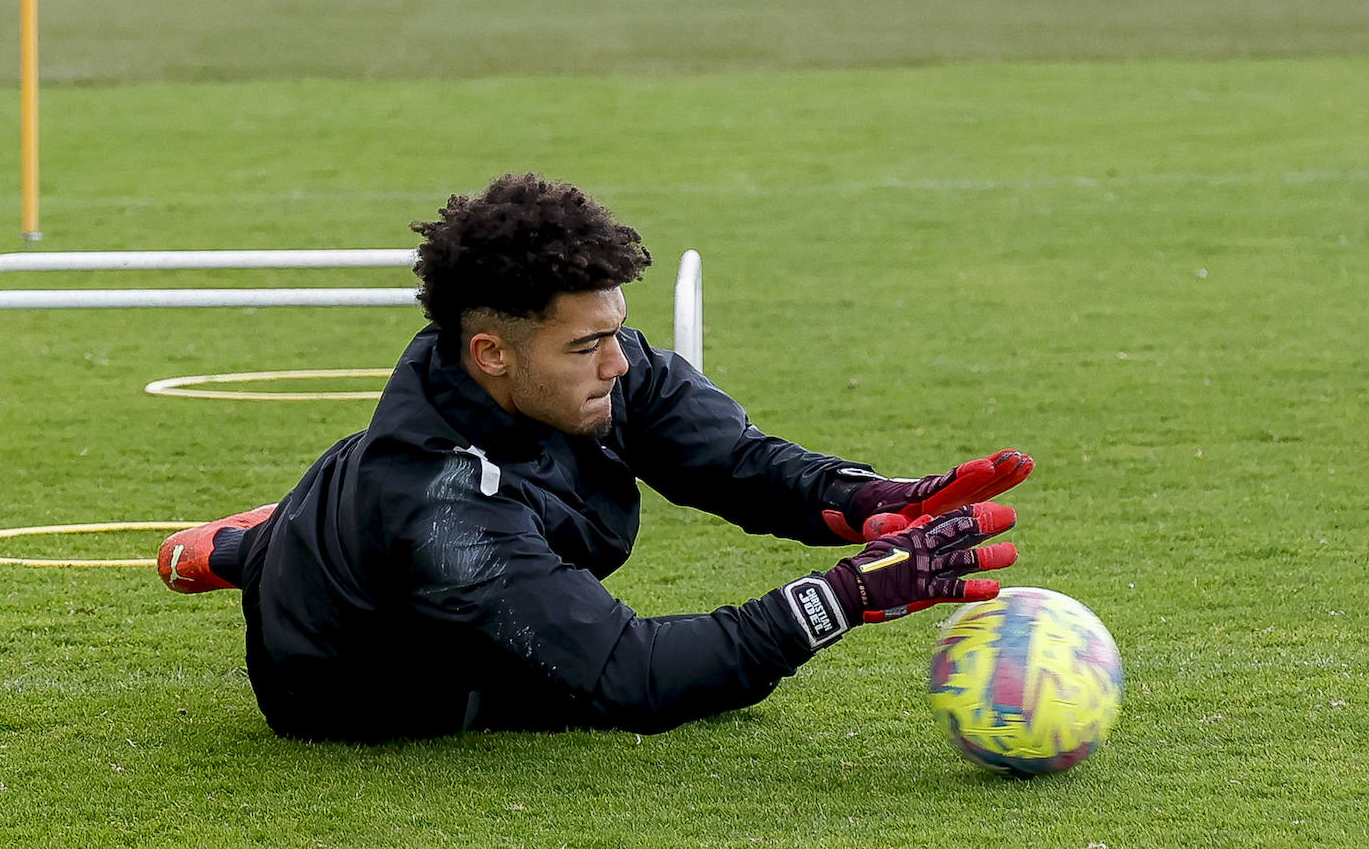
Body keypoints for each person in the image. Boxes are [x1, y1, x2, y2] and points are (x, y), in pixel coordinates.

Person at [157, 172, 1032, 741]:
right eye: (587, 347)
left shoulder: (582, 362)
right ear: (493, 354)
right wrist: (843, 597)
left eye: (615, 332)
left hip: (376, 516)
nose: (619, 362)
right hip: (356, 682)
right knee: (564, 694)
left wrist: (868, 498)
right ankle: (264, 553)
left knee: (359, 515)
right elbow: (633, 675)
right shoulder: (444, 511)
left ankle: (257, 542)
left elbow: (724, 458)